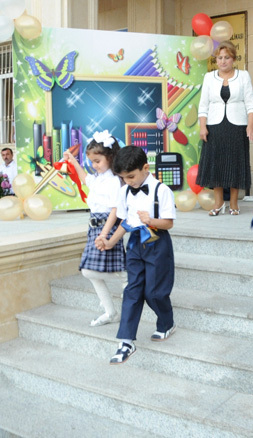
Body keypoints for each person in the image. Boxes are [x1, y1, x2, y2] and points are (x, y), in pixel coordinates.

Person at [96, 146, 176, 364]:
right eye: (123, 178)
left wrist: (151, 221)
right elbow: (125, 220)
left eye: (131, 176)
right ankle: (126, 341)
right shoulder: (124, 192)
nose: (128, 182)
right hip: (134, 245)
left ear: (145, 168)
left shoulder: (162, 190)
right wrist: (110, 241)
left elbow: (168, 223)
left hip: (157, 242)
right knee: (132, 290)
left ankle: (166, 322)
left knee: (154, 292)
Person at [63, 130, 126, 327]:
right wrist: (74, 162)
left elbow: (116, 209)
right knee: (88, 271)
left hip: (107, 226)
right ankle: (111, 311)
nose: (94, 165)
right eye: (91, 161)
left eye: (97, 160)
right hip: (94, 227)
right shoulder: (98, 178)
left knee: (89, 271)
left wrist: (105, 233)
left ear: (110, 157)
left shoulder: (114, 180)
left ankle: (126, 278)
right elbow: (85, 179)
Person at [197, 40, 253, 216]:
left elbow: (251, 103)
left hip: (237, 126)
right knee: (216, 164)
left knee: (235, 164)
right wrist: (203, 127)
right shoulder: (209, 77)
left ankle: (233, 204)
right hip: (214, 126)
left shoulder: (243, 76)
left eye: (227, 58)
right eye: (219, 58)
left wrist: (251, 126)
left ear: (233, 59)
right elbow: (203, 105)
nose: (223, 61)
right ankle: (218, 203)